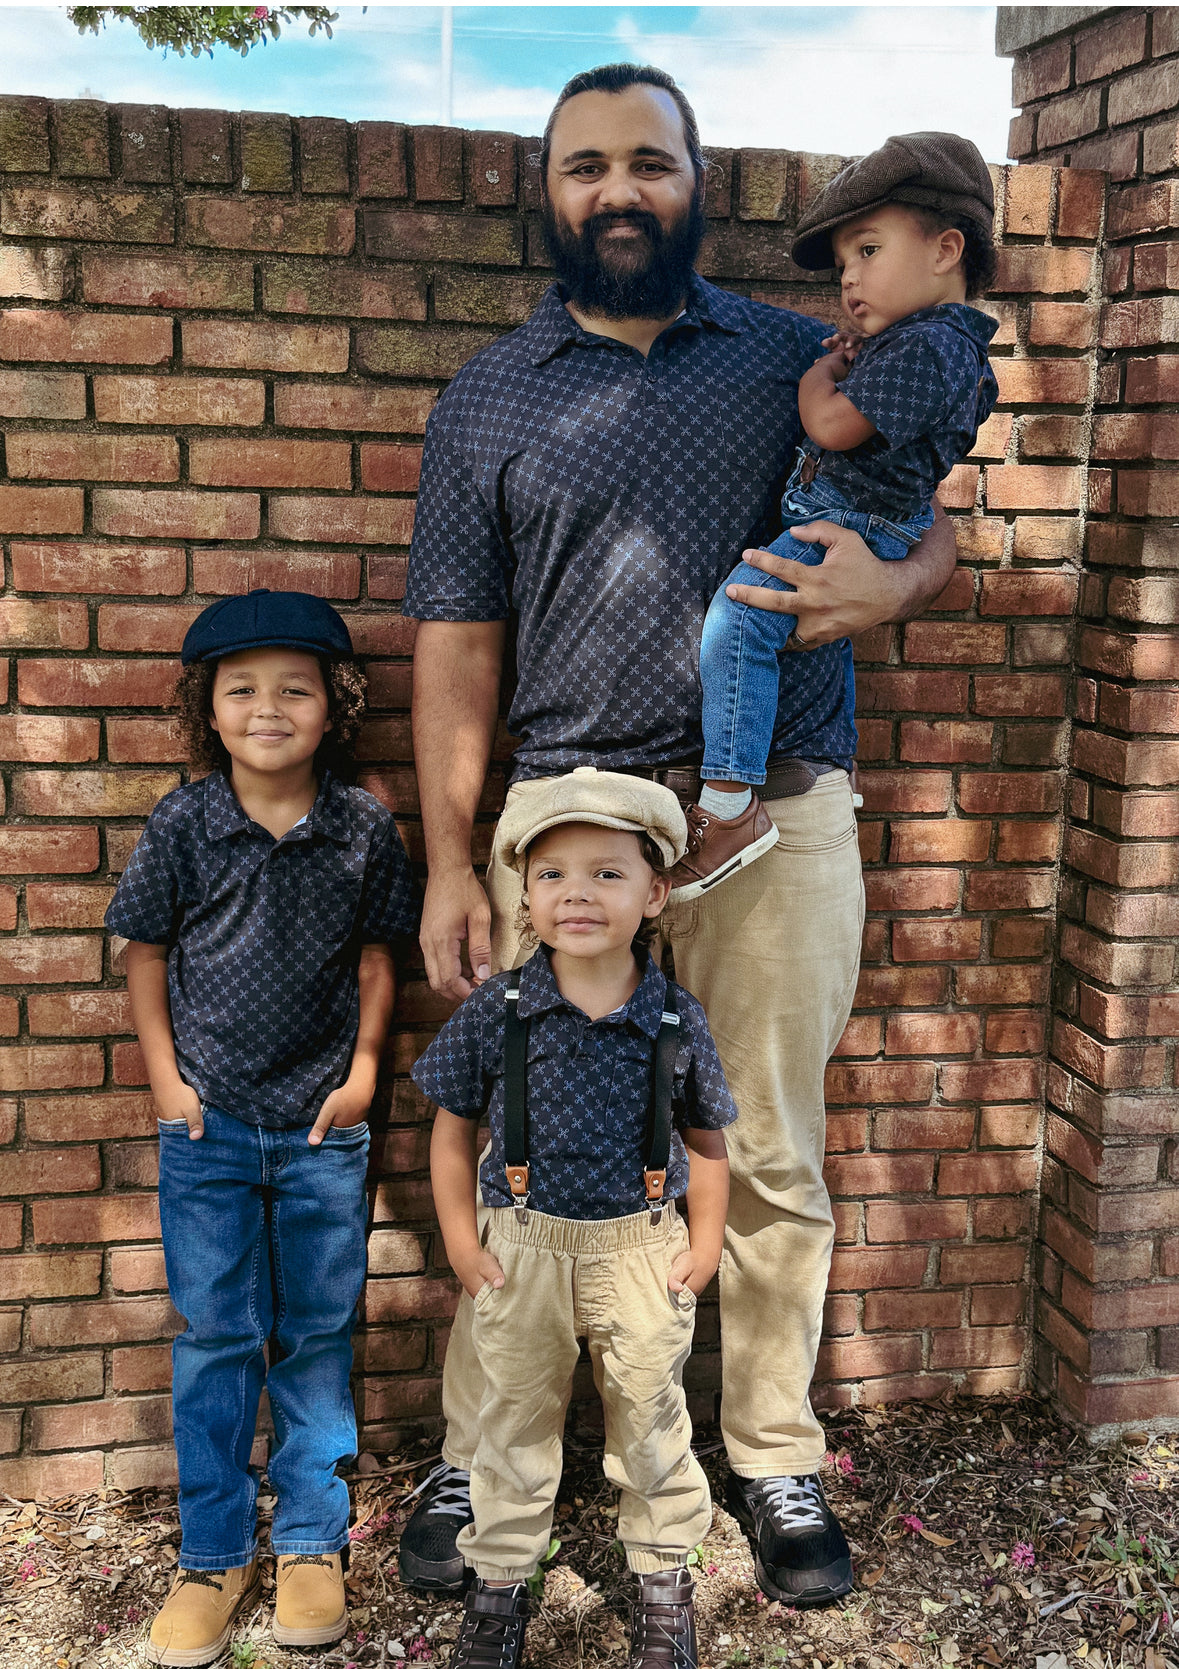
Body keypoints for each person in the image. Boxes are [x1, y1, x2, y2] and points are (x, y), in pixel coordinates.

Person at [401, 63, 960, 1611]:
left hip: (774, 811)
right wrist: (449, 858)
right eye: (584, 165)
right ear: (547, 193)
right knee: (523, 1163)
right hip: (566, 829)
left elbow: (932, 518)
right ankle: (485, 1459)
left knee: (767, 1148)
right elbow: (455, 640)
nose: (617, 190)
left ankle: (771, 1454)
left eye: (647, 162)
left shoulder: (805, 358)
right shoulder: (490, 393)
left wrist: (894, 585)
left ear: (695, 181)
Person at [105, 590, 418, 1668]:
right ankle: (212, 1554)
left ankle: (310, 1542)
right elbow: (145, 950)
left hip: (324, 1127)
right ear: (208, 708)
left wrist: (365, 1072)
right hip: (209, 1129)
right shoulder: (184, 823)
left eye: (295, 688)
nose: (268, 708)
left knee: (317, 1332)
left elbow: (378, 956)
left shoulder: (362, 826)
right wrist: (168, 1083)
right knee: (217, 1336)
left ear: (337, 705)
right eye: (241, 689)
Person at [413, 768, 734, 1669]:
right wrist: (461, 1241)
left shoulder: (674, 1016)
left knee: (652, 1418)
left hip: (642, 1250)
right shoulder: (500, 1009)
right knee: (512, 1422)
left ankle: (664, 1583)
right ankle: (499, 1582)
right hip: (521, 1248)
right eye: (551, 874)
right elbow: (450, 1132)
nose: (577, 893)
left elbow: (708, 1139)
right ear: (524, 894)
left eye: (606, 872)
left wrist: (705, 1244)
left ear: (655, 893)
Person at [670, 132, 998, 898]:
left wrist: (819, 374)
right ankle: (836, 766)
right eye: (844, 262)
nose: (849, 277)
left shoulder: (931, 349)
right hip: (866, 519)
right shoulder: (924, 343)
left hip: (848, 519)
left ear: (945, 248)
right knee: (826, 637)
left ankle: (728, 806)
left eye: (868, 250)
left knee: (738, 620)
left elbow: (831, 426)